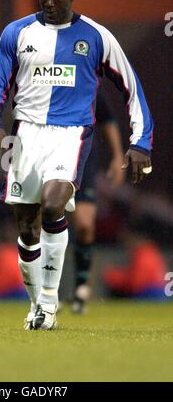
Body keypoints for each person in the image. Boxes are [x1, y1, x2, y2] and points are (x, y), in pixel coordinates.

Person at [0, 0, 153, 330]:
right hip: (26, 134)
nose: (50, 3)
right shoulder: (17, 33)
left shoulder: (97, 37)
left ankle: (48, 302)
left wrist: (141, 142)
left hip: (70, 133)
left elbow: (131, 89)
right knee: (26, 228)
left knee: (55, 201)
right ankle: (35, 306)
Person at [70, 91, 125, 314]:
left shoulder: (88, 83)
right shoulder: (46, 79)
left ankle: (81, 286)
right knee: (47, 222)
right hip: (49, 156)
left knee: (84, 225)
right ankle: (44, 292)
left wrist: (117, 155)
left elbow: (107, 118)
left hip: (84, 163)